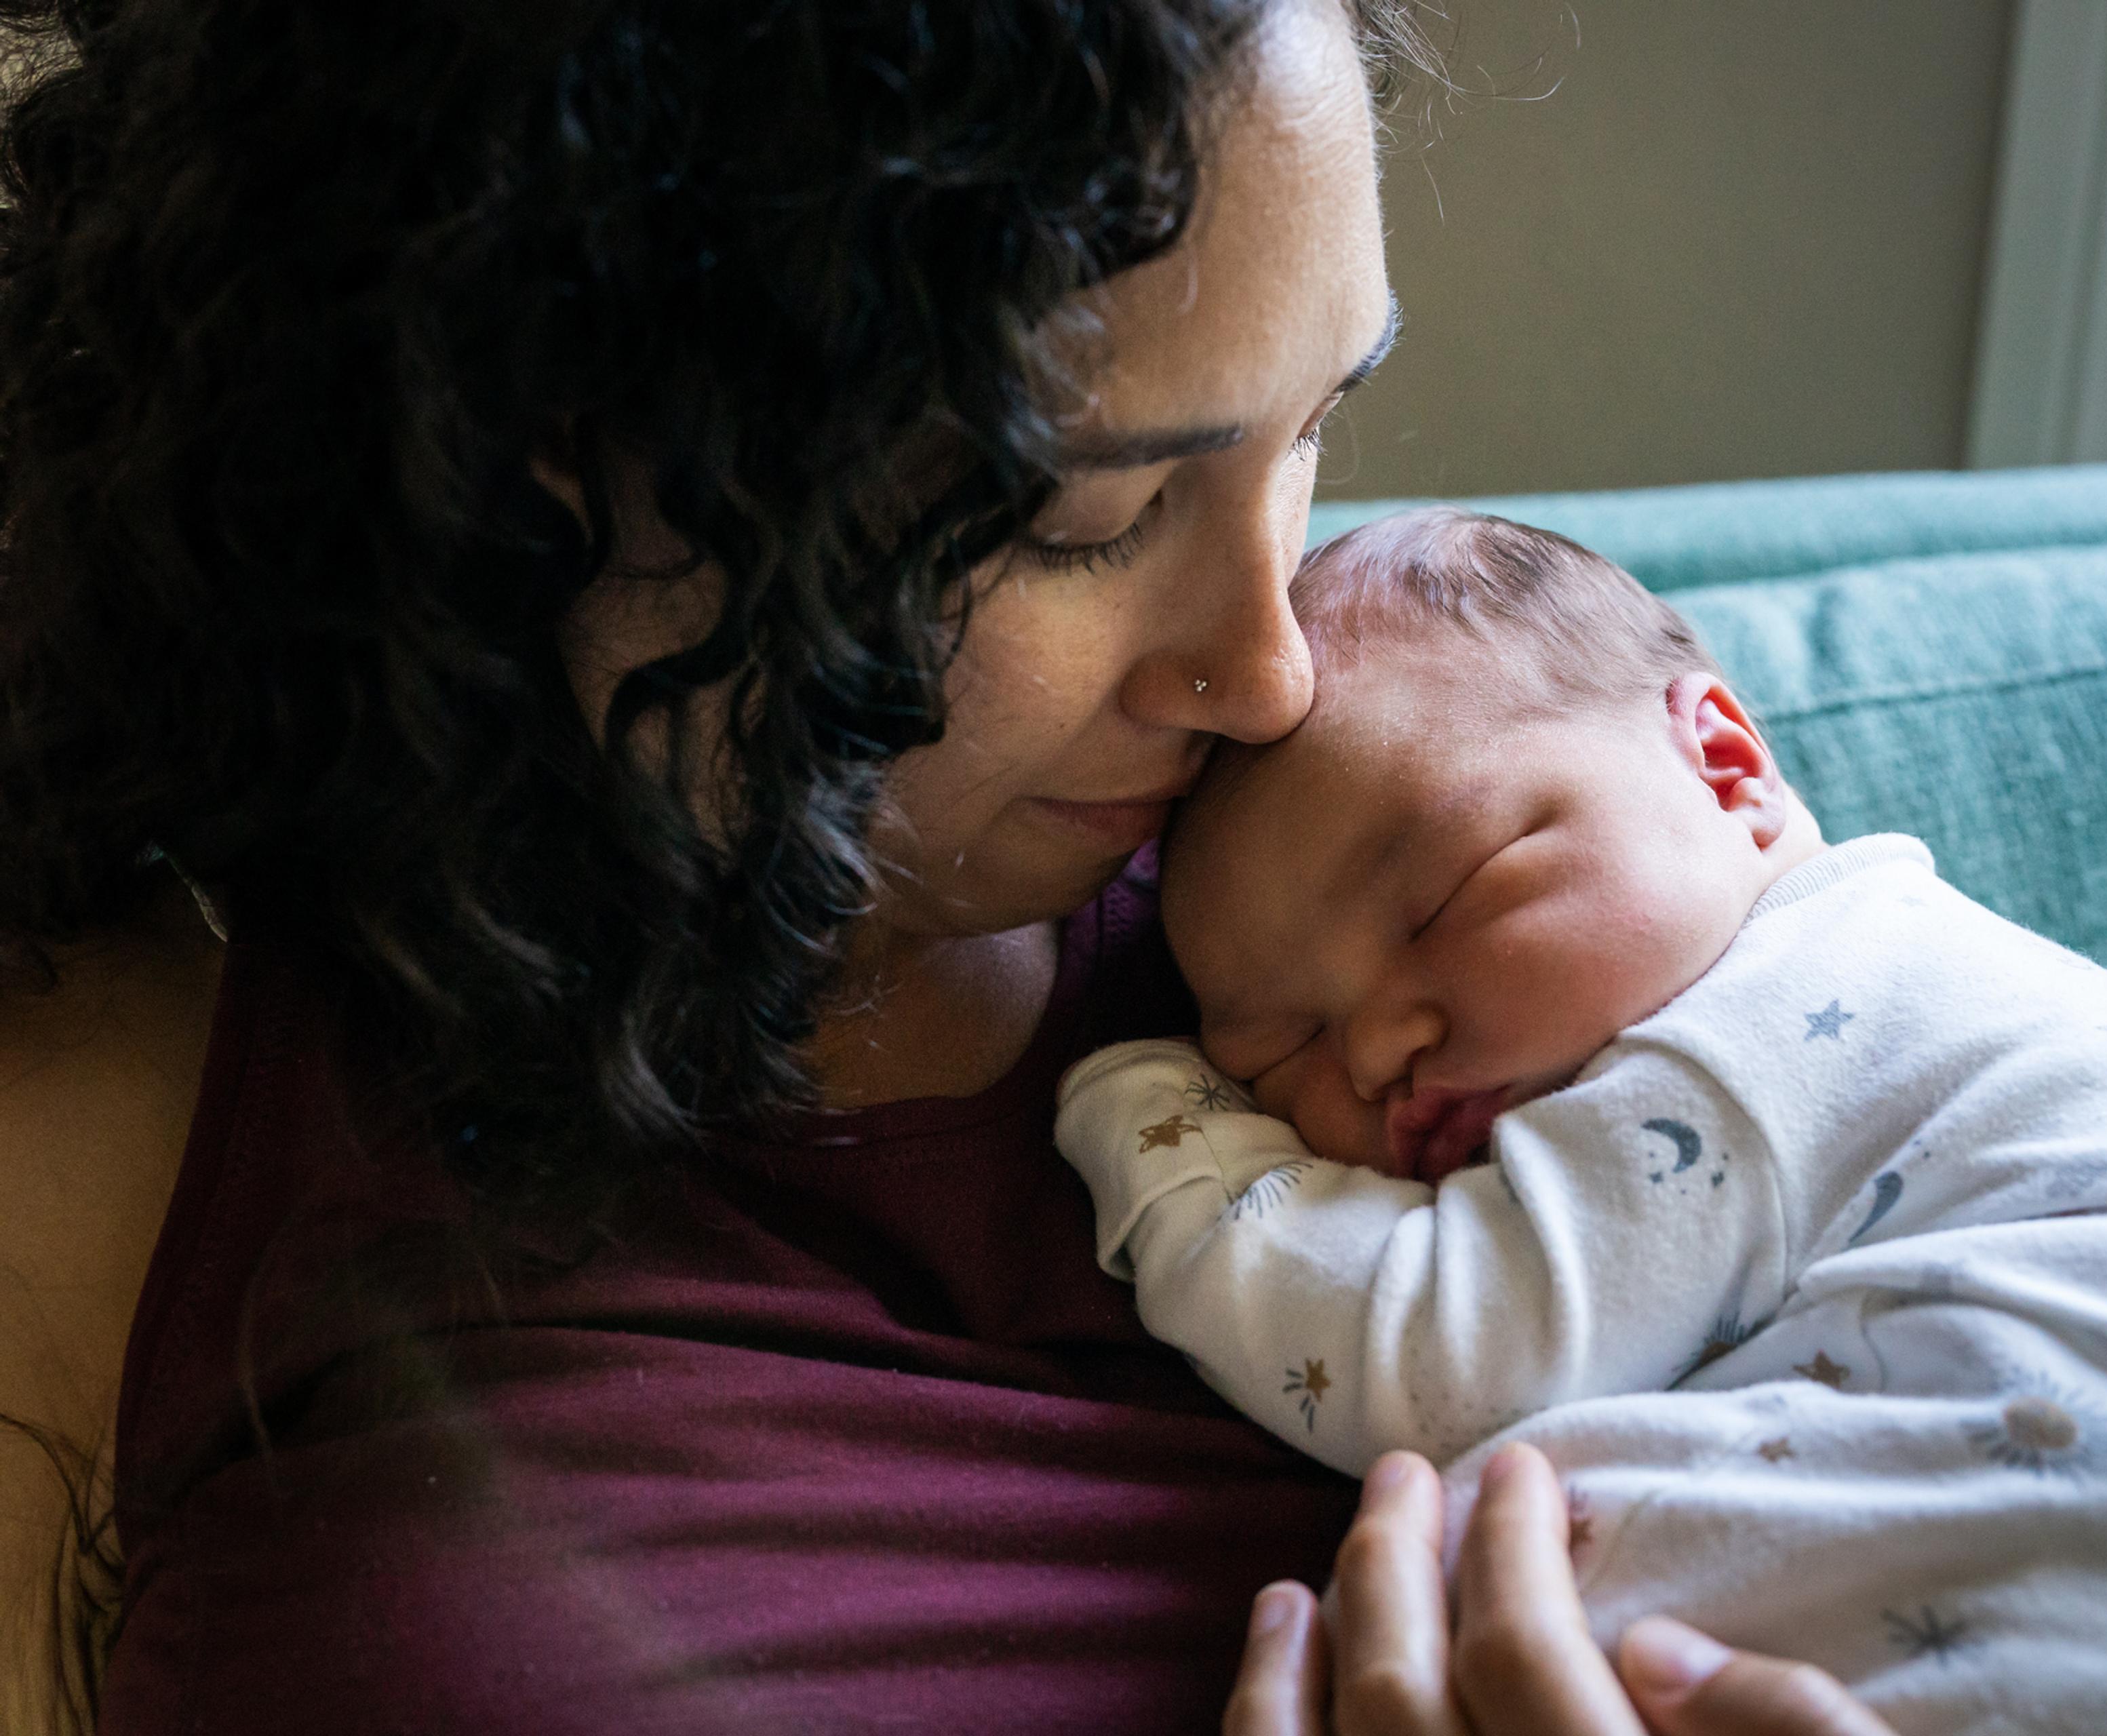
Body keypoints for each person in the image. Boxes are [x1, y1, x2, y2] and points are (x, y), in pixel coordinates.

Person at [0, 1, 1897, 1731]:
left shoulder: (1451, 896)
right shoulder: (128, 1139)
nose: (1270, 672)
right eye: (1088, 520)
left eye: (1318, 427)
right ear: (529, 437)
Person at [1055, 509, 2107, 1731]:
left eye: (1451, 896)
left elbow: (1446, 1361)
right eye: (1280, 1047)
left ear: (1726, 764)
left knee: (1464, 1531)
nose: (1380, 1047)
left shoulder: (1764, 1024)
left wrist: (1156, 1112)